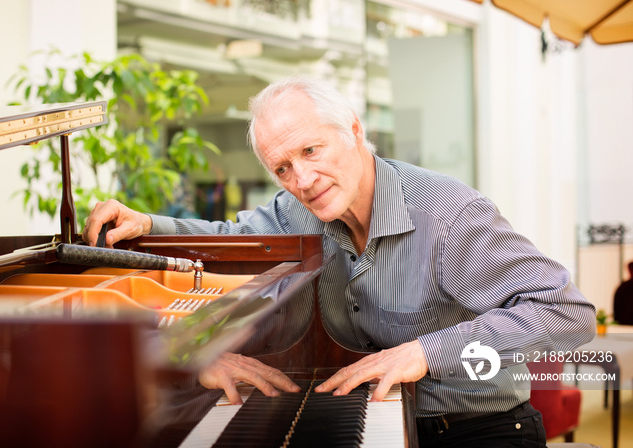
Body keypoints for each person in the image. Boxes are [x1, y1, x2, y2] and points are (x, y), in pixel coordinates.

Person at [83, 75, 596, 447]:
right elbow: (231, 240)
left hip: (478, 431)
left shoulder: (446, 212)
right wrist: (151, 226)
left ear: (353, 129)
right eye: (283, 167)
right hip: (380, 419)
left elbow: (567, 313)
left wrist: (426, 353)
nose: (302, 180)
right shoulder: (292, 215)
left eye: (312, 150)